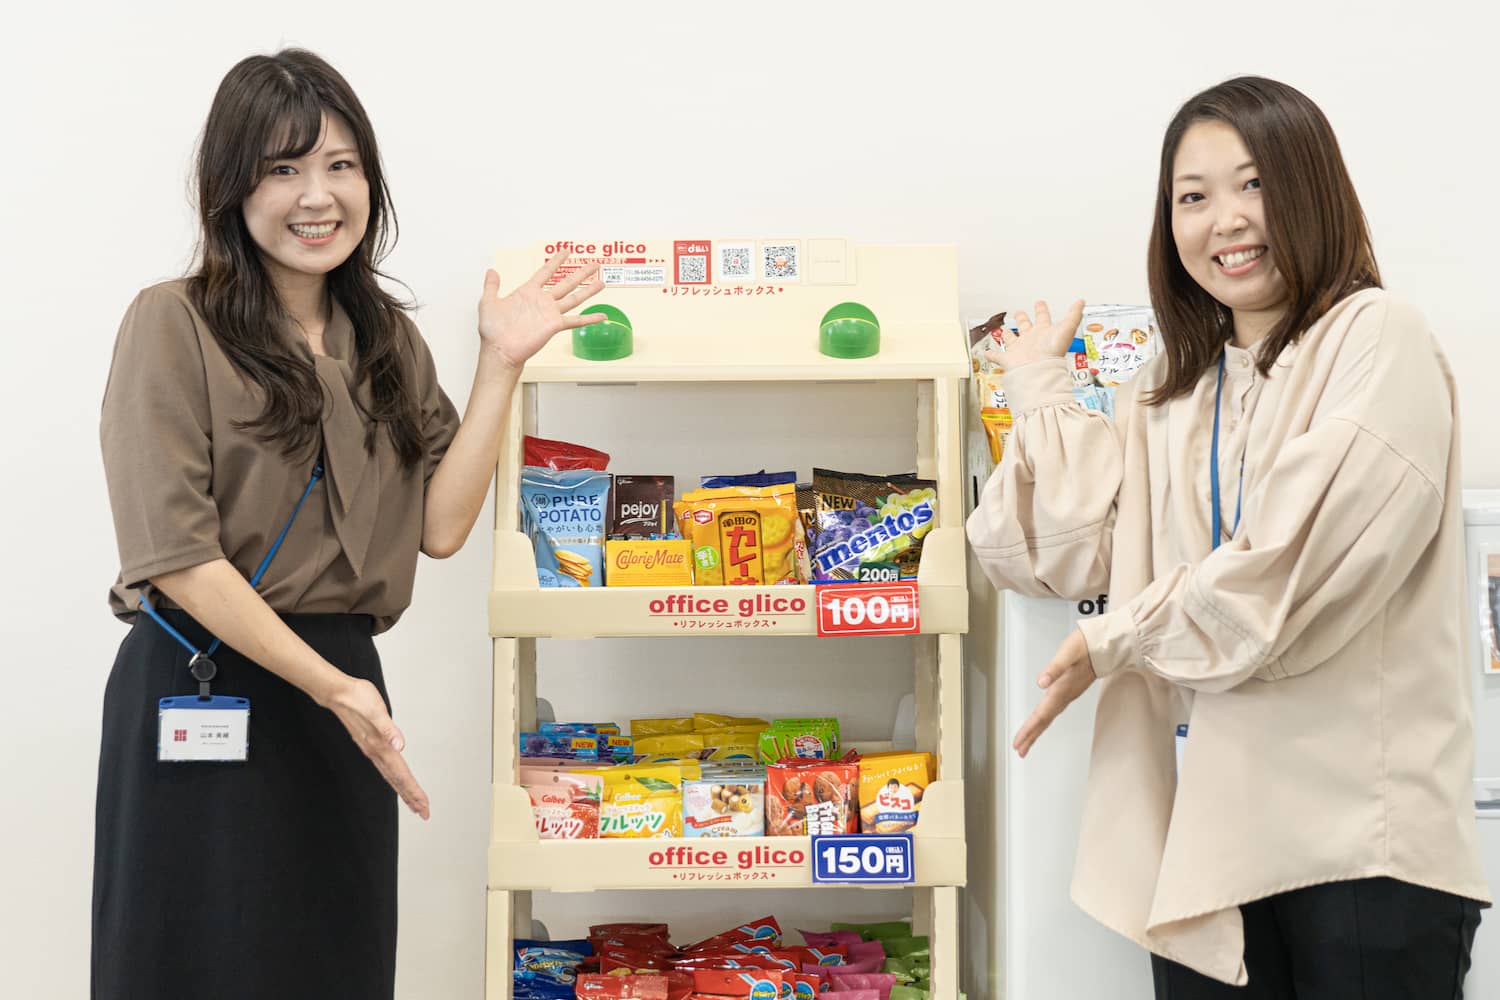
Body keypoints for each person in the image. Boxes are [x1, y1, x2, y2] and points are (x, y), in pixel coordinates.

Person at [92, 49, 604, 999]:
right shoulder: (172, 322)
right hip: (206, 673)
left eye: (340, 165)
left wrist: (501, 363)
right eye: (282, 168)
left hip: (343, 685)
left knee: (334, 957)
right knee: (197, 961)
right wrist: (334, 689)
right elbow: (177, 556)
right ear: (231, 188)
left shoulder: (385, 339)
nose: (316, 196)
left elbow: (440, 526)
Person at [966, 76, 1490, 998]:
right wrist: (1040, 389)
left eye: (1254, 184)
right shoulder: (1172, 387)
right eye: (1193, 197)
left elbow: (1290, 567)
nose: (1226, 220)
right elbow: (1054, 550)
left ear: (1314, 189)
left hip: (1359, 842)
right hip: (1206, 848)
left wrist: (1122, 636)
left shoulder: (1378, 339)